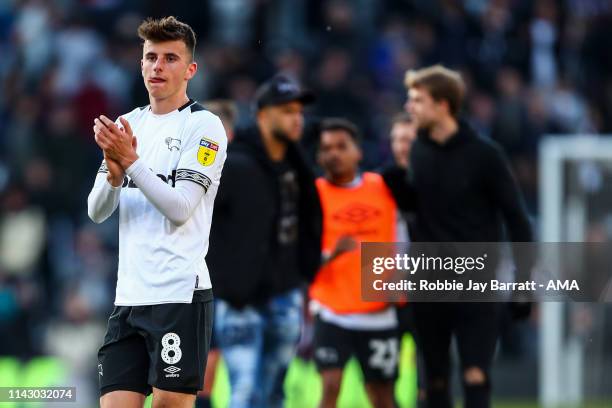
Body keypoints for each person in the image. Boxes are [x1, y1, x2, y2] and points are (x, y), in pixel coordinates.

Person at [87, 16, 227, 408]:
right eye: (151, 57)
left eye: (169, 58)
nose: (157, 67)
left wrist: (131, 164)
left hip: (179, 294)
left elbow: (181, 208)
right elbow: (96, 212)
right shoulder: (127, 124)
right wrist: (114, 177)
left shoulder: (204, 127)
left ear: (190, 69)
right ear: (141, 63)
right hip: (129, 295)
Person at [383, 65, 533, 408]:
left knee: (475, 376)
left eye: (417, 100)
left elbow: (518, 220)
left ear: (443, 105)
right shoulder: (417, 152)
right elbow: (419, 210)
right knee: (432, 380)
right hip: (428, 283)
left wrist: (523, 285)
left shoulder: (485, 155)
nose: (410, 108)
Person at [207, 74, 322, 408]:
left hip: (285, 294)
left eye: (299, 111)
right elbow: (200, 224)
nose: (296, 118)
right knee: (244, 392)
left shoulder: (296, 166)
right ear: (262, 115)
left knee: (274, 394)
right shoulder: (234, 165)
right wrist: (228, 285)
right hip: (240, 300)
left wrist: (303, 274)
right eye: (286, 111)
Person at [310, 118, 400, 408]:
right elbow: (300, 256)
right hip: (332, 309)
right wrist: (330, 255)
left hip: (377, 309)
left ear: (358, 152)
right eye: (326, 148)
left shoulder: (383, 188)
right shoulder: (314, 195)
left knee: (382, 395)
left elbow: (404, 237)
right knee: (330, 386)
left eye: (341, 146)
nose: (333, 154)